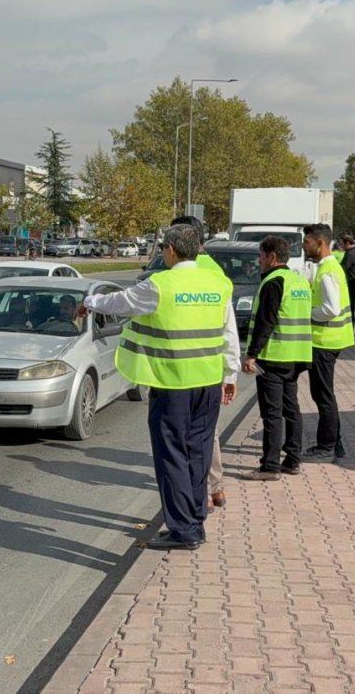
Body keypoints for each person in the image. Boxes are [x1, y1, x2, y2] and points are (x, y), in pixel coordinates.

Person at [80, 224, 238, 549]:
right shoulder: (218, 283)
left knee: (172, 457)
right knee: (199, 453)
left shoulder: (161, 284)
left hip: (173, 384)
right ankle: (195, 522)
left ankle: (183, 530)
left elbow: (120, 303)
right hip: (208, 383)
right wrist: (230, 373)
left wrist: (90, 301)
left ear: (170, 250)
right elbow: (228, 332)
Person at [239, 236, 313, 480]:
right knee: (292, 410)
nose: (259, 262)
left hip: (274, 356)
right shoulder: (299, 281)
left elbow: (265, 322)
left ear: (271, 257)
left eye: (260, 257)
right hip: (298, 355)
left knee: (272, 414)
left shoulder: (273, 281)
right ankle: (292, 460)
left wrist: (251, 354)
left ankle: (269, 466)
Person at [172, 215, 229, 509]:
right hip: (210, 367)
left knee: (193, 440)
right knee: (207, 433)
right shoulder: (216, 272)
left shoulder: (178, 271)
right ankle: (212, 488)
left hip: (183, 373)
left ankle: (203, 493)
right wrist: (229, 373)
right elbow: (228, 328)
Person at [300, 224, 355, 463]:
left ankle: (327, 446)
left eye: (307, 242)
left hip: (325, 341)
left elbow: (330, 309)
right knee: (324, 394)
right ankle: (335, 443)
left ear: (320, 243)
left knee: (323, 395)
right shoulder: (327, 267)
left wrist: (307, 314)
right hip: (330, 339)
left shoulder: (328, 270)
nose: (304, 246)